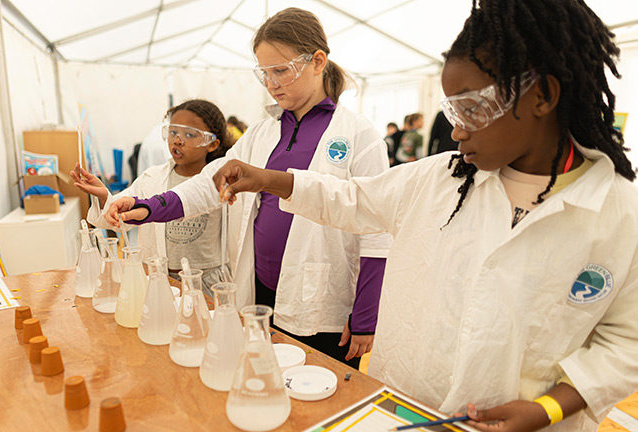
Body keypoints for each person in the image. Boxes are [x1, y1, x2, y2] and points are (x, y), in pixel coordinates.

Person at [212, 0, 638, 430]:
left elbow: (626, 343)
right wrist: (269, 179)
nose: (456, 131)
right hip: (403, 409)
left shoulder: (620, 215)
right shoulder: (442, 178)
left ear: (542, 95)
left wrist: (548, 408)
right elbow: (350, 198)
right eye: (451, 111)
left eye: (470, 108)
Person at [104, 7, 391, 369]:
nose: (271, 84)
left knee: (313, 394)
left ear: (318, 61)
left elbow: (376, 230)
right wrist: (148, 207)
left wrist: (366, 315)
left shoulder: (358, 135)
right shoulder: (263, 131)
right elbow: (209, 186)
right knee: (259, 379)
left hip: (319, 301)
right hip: (259, 289)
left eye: (281, 71)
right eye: (264, 73)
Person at [71, 99, 234, 302]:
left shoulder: (221, 180)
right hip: (160, 278)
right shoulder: (152, 178)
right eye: (173, 132)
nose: (178, 140)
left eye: (189, 135)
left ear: (212, 144)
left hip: (206, 283)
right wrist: (105, 197)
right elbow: (119, 218)